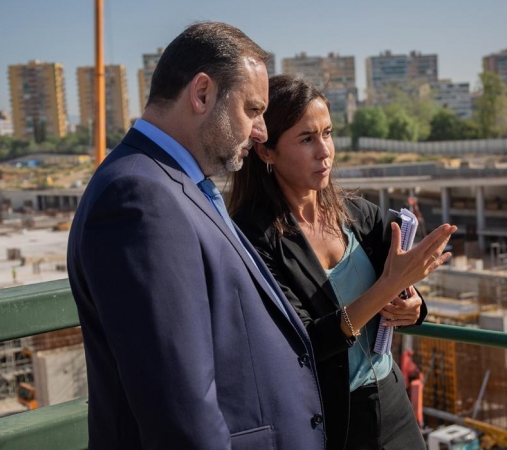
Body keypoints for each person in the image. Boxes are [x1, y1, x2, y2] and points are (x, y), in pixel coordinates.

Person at [67, 24, 325, 450]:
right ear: (202, 93)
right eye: (252, 109)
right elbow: (180, 412)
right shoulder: (140, 198)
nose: (260, 131)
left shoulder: (174, 185)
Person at [230, 75, 456, 450]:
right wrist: (385, 287)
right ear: (266, 152)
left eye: (328, 133)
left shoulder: (357, 214)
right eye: (306, 139)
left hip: (392, 401)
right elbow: (303, 343)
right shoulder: (252, 237)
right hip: (328, 421)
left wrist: (413, 306)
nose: (325, 151)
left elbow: (404, 285)